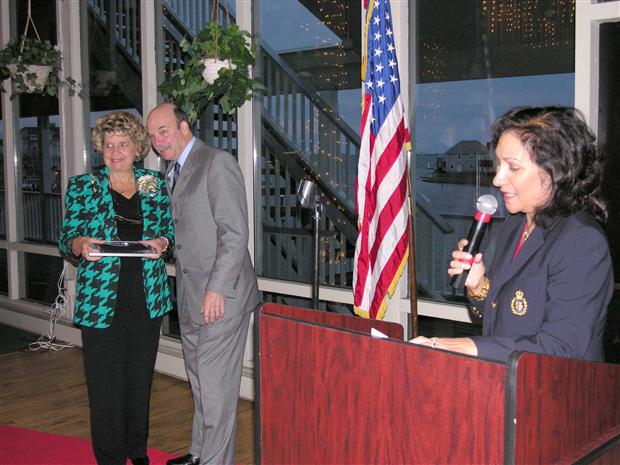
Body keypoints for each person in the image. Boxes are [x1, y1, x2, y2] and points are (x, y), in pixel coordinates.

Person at [412, 106, 613, 363]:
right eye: (499, 164)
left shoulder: (581, 241)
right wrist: (478, 285)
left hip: (558, 395)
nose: (497, 179)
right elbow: (505, 313)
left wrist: (459, 345)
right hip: (509, 387)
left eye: (513, 168)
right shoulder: (516, 225)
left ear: (556, 171)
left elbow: (563, 347)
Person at [146, 103, 261, 465]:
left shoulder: (216, 162)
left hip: (221, 298)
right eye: (151, 136)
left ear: (183, 127)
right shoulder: (171, 172)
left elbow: (234, 233)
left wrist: (216, 289)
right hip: (192, 296)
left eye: (162, 131)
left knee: (215, 389)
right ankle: (199, 454)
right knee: (199, 383)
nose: (156, 142)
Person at [58, 111, 174, 465]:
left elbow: (168, 228)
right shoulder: (85, 185)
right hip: (100, 298)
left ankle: (136, 452)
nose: (115, 151)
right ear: (101, 149)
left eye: (123, 144)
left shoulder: (153, 182)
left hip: (145, 296)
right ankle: (109, 457)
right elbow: (67, 237)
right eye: (108, 145)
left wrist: (163, 242)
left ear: (137, 147)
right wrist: (80, 244)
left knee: (139, 381)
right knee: (105, 385)